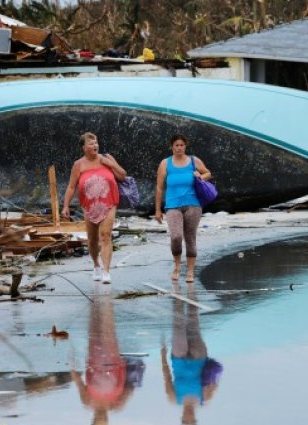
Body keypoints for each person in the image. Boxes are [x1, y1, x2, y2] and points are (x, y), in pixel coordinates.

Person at [71, 283, 142, 424]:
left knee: (94, 329)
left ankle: (95, 301)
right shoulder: (116, 405)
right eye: (104, 422)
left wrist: (72, 361)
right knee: (108, 330)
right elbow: (131, 386)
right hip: (113, 360)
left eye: (98, 422)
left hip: (94, 359)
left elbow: (78, 381)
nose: (101, 419)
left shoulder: (88, 402)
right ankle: (107, 301)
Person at [62, 132, 127, 283]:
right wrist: (66, 205)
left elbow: (123, 175)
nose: (95, 145)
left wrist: (110, 164)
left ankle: (106, 271)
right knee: (92, 239)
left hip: (108, 202)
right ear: (83, 147)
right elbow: (71, 187)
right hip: (89, 205)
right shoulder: (78, 165)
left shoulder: (107, 158)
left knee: (105, 235)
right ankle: (96, 266)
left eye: (96, 142)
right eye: (91, 144)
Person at [161, 281, 222, 425]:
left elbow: (166, 376)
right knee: (193, 320)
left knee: (178, 324)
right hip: (198, 357)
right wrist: (212, 385)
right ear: (195, 419)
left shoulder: (174, 398)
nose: (189, 416)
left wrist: (163, 355)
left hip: (178, 358)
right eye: (192, 420)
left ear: (182, 418)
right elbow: (214, 378)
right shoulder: (204, 399)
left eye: (185, 420)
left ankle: (176, 290)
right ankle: (190, 288)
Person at [154, 135, 212, 283]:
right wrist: (158, 210)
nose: (179, 148)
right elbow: (160, 188)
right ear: (171, 146)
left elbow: (208, 173)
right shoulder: (165, 164)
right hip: (172, 205)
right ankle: (177, 266)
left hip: (193, 204)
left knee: (190, 238)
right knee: (176, 237)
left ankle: (191, 272)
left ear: (185, 146)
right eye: (176, 145)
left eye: (182, 145)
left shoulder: (194, 161)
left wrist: (200, 176)